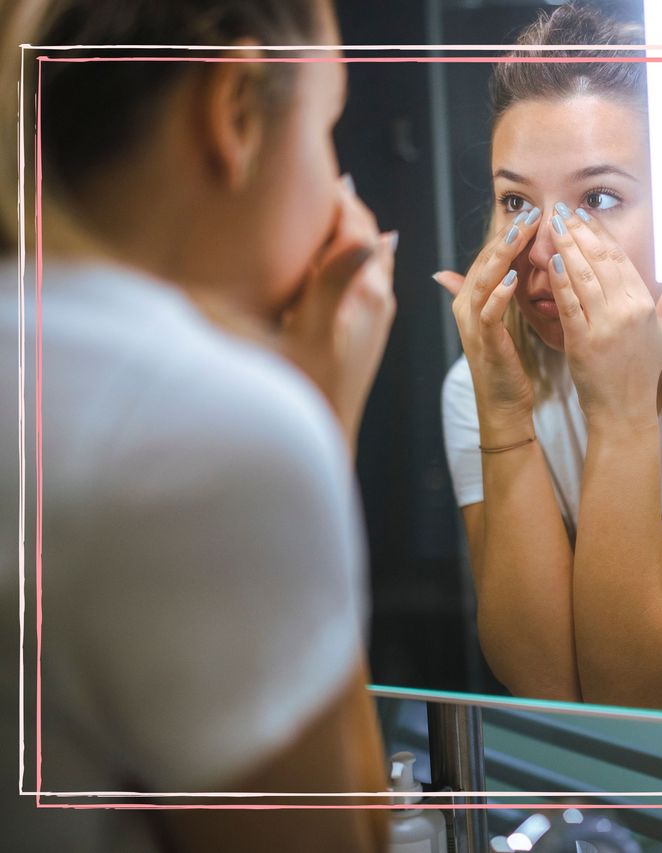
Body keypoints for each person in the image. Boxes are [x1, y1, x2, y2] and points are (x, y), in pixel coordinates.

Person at [1, 1, 392, 850]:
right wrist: (321, 424)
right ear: (238, 110)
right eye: (328, 128)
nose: (336, 190)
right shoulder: (199, 427)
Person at [437, 3, 662, 711]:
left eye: (597, 197)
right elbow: (544, 684)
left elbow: (639, 692)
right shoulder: (479, 387)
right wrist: (503, 417)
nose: (543, 251)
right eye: (515, 203)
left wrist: (621, 415)